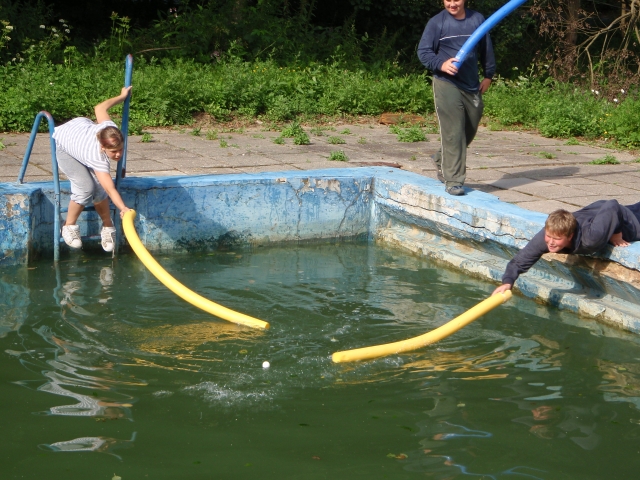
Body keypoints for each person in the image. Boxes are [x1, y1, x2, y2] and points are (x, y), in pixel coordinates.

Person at [417, 0, 496, 196]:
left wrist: (488, 75)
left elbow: (486, 48)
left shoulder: (477, 19)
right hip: (446, 83)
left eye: (456, 0)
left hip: (471, 84)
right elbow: (424, 52)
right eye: (448, 0)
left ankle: (441, 158)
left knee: (470, 126)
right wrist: (441, 64)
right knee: (454, 132)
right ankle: (453, 180)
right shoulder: (437, 23)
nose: (452, 4)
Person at [492, 199, 640, 295]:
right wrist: (507, 282)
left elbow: (613, 205)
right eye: (549, 236)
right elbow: (519, 261)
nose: (551, 242)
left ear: (570, 236)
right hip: (596, 214)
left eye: (557, 239)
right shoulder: (547, 236)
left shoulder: (590, 239)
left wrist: (616, 234)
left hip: (629, 223)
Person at [52, 87, 132, 252]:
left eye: (120, 150)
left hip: (80, 130)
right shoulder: (97, 156)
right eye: (113, 152)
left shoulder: (110, 129)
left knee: (98, 186)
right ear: (103, 147)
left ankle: (108, 227)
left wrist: (122, 96)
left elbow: (100, 108)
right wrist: (123, 208)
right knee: (86, 188)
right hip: (66, 145)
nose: (118, 154)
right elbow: (110, 189)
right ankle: (68, 226)